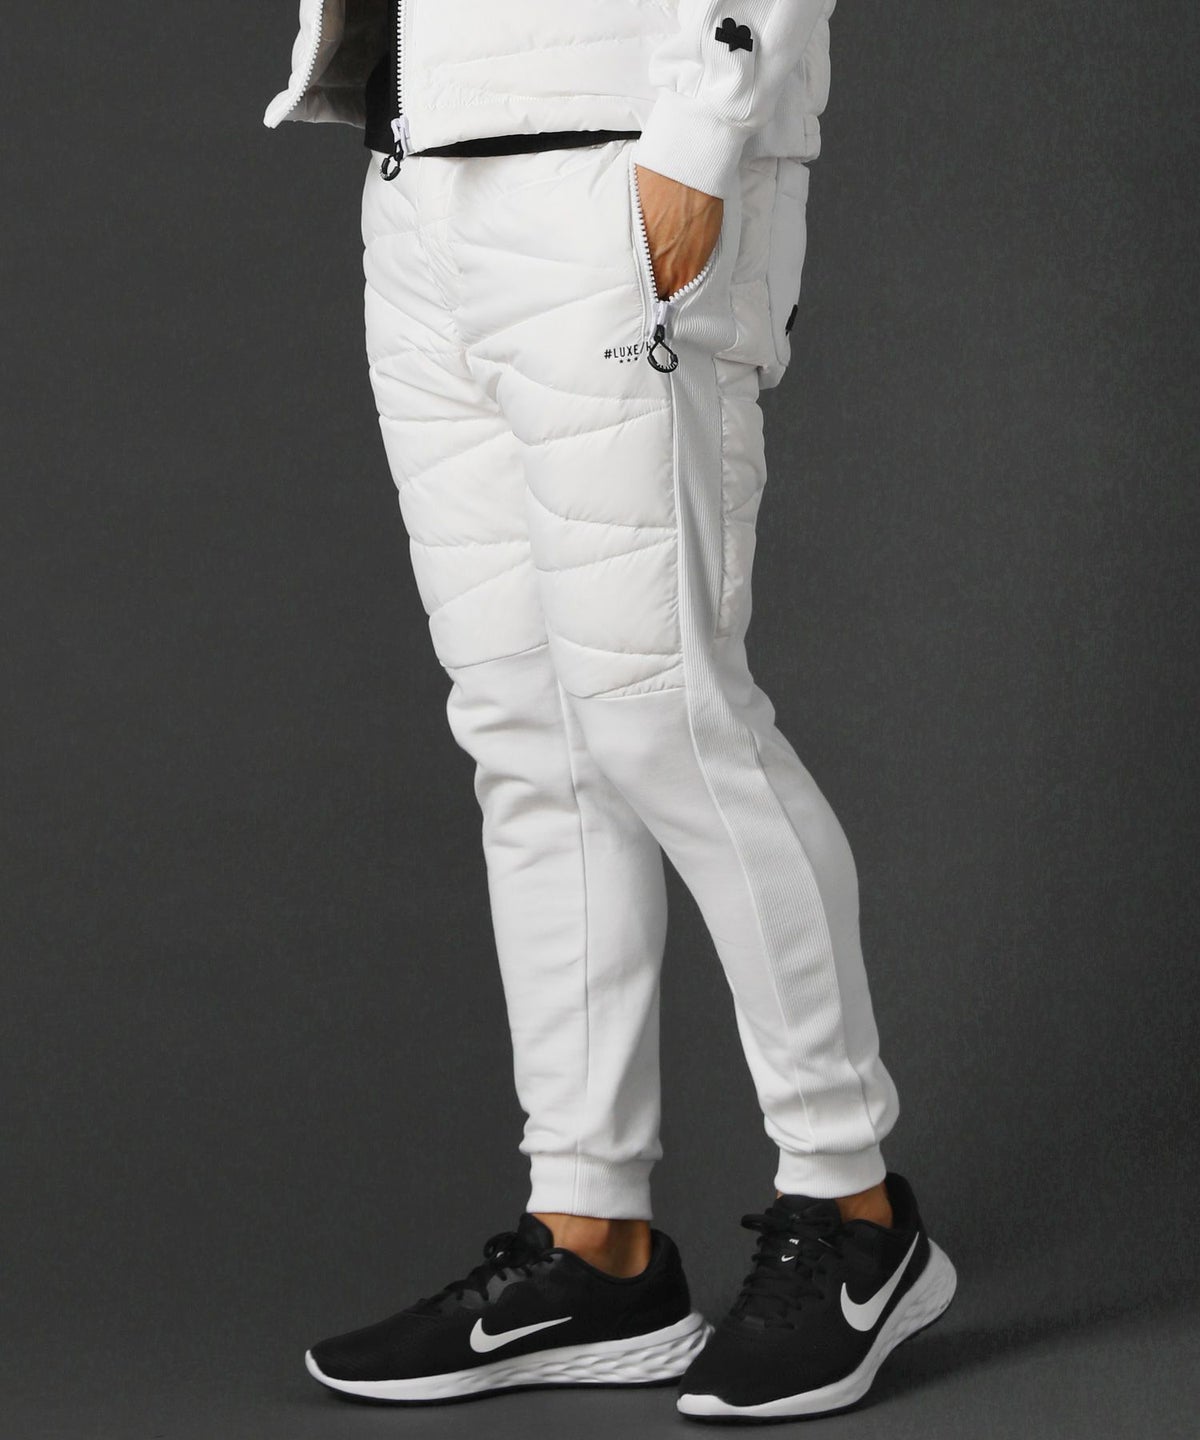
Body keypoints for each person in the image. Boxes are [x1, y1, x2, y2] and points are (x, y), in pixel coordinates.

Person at [263, 0, 956, 1420]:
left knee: (664, 716)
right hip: (424, 171)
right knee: (529, 737)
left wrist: (704, 126)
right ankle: (594, 1247)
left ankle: (857, 1213)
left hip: (613, 157)